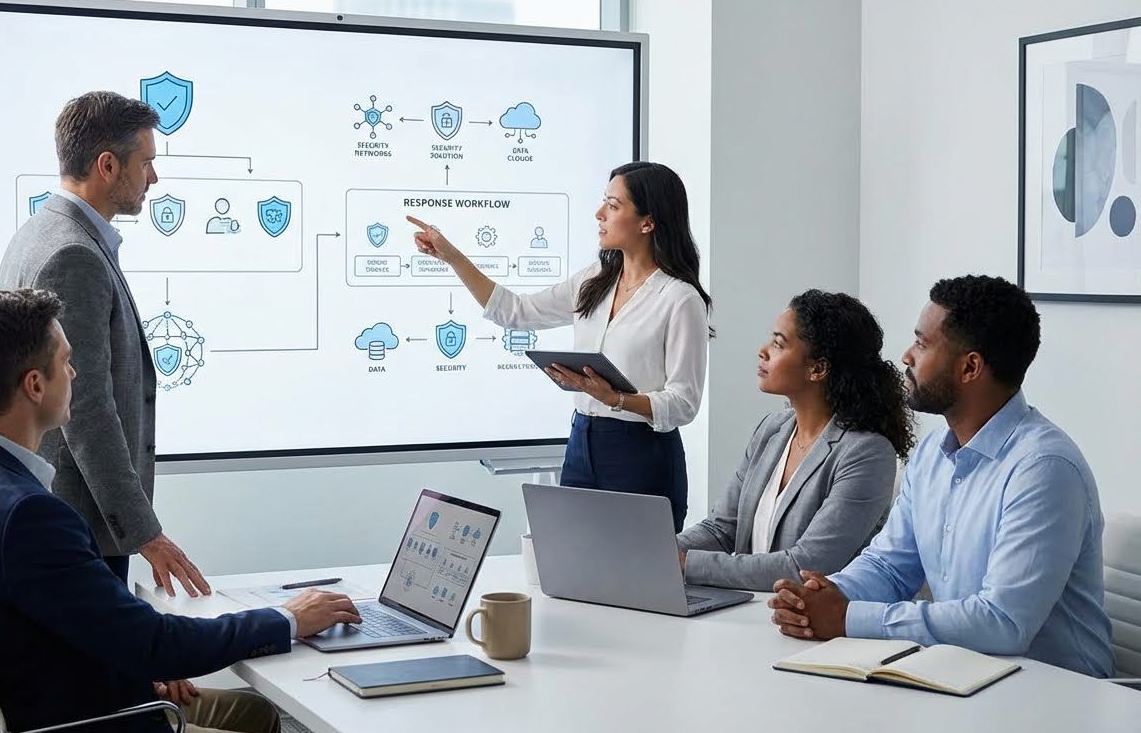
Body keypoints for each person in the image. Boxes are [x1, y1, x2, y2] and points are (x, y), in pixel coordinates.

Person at [0, 289, 361, 733]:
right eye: (66, 361)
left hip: (43, 703)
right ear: (35, 386)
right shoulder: (28, 516)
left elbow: (56, 626)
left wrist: (136, 662)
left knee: (253, 712)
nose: (74, 373)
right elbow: (157, 644)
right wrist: (288, 618)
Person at [769, 275, 1114, 677]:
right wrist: (821, 596)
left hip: (1059, 692)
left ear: (970, 367)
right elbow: (890, 566)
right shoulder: (933, 452)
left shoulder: (1044, 469)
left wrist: (847, 617)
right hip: (965, 675)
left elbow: (1003, 623)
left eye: (921, 343)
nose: (906, 356)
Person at [409, 161, 710, 531]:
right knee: (573, 558)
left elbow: (683, 403)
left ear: (647, 223)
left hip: (641, 453)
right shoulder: (594, 280)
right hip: (582, 443)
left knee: (637, 565)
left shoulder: (680, 299)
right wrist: (453, 258)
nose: (599, 214)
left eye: (613, 206)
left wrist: (616, 398)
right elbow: (515, 312)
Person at [0, 91, 205, 596]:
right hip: (81, 519)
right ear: (108, 166)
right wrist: (144, 531)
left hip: (64, 512)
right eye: (146, 163)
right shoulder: (74, 255)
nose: (154, 178)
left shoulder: (39, 232)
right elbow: (86, 406)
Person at [676, 290, 913, 590]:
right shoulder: (772, 430)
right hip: (748, 608)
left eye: (778, 344)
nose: (763, 351)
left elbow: (806, 565)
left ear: (818, 368)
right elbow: (722, 529)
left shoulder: (867, 452)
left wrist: (687, 564)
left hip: (812, 615)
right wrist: (660, 550)